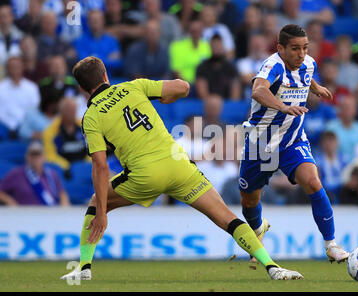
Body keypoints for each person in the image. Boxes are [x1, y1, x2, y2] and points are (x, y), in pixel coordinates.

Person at [61, 56, 301, 281]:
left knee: (95, 202)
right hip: (179, 165)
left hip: (145, 175)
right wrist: (166, 98)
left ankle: (84, 268)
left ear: (83, 89)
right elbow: (183, 87)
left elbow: (101, 166)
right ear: (105, 76)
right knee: (227, 219)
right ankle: (273, 267)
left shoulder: (90, 117)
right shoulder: (133, 87)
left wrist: (102, 211)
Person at [238, 24, 349, 266]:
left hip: (292, 139)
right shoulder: (273, 65)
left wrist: (317, 88)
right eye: (295, 48)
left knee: (312, 180)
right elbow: (258, 91)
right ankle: (258, 229)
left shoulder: (309, 63)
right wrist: (284, 107)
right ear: (281, 48)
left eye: (305, 48)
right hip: (261, 143)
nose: (301, 53)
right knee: (249, 202)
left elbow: (305, 78)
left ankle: (331, 244)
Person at [0, 141, 70, 206]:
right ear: (27, 156)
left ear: (44, 157)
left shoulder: (52, 174)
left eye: (38, 155)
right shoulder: (16, 174)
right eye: (32, 155)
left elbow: (62, 193)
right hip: (24, 215)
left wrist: (64, 207)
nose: (35, 158)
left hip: (49, 214)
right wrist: (9, 201)